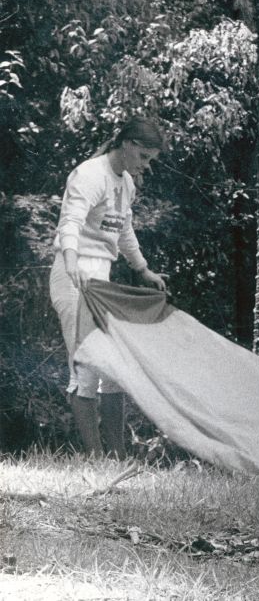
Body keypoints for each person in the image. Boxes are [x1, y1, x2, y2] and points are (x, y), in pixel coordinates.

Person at [49, 117, 168, 458]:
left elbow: (124, 230)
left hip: (102, 278)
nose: (145, 165)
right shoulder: (90, 174)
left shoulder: (125, 183)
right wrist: (72, 262)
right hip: (75, 273)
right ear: (127, 143)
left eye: (150, 159)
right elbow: (70, 220)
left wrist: (143, 269)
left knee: (114, 369)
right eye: (143, 156)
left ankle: (116, 455)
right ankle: (96, 457)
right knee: (85, 366)